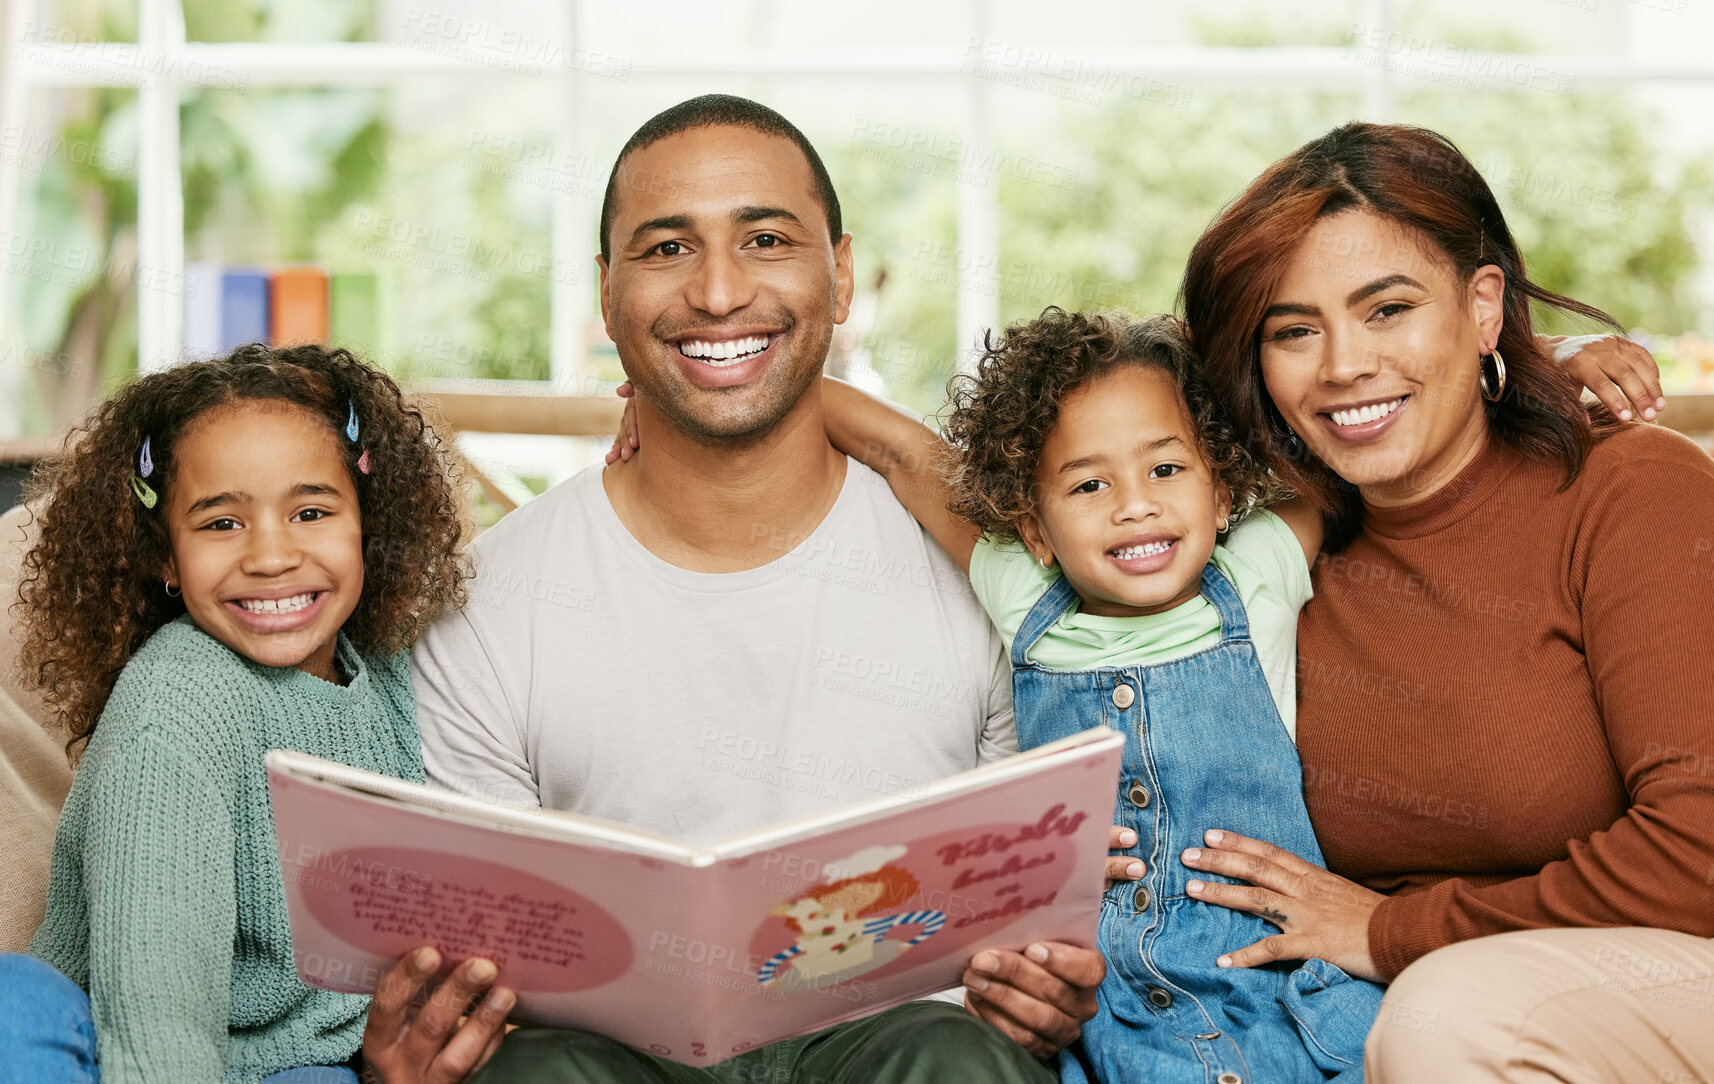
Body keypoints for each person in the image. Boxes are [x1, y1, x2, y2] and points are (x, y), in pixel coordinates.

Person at [410, 93, 1104, 1082]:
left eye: (765, 238)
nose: (720, 291)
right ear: (608, 295)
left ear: (842, 273)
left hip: (897, 1042)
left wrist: (1041, 984)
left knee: (958, 1057)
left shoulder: (973, 570)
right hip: (611, 1056)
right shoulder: (487, 599)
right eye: (666, 249)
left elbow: (1033, 910)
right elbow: (483, 950)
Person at [1177, 121, 1714, 1081]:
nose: (1341, 365)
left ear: (1483, 307)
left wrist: (1393, 929)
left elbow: (1713, 858)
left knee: (1453, 1020)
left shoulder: (1634, 489)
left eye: (1389, 309)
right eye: (1293, 329)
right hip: (1481, 967)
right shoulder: (1276, 551)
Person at [806, 308, 1382, 1083]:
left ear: (1222, 491)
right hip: (1111, 1009)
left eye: (1167, 469)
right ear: (1036, 530)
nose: (1134, 504)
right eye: (1088, 484)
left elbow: (1353, 439)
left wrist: (1541, 357)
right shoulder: (1024, 597)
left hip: (1284, 986)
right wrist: (677, 395)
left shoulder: (1261, 573)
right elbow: (902, 452)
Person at [0, 345, 511, 1084]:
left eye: (310, 512)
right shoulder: (176, 707)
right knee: (17, 1003)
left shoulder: (393, 670)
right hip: (127, 1048)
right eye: (220, 524)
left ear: (368, 525)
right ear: (166, 559)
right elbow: (157, 1029)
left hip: (312, 1065)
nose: (272, 556)